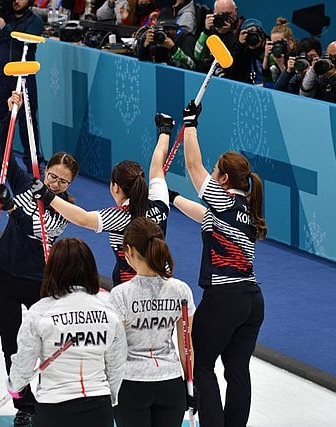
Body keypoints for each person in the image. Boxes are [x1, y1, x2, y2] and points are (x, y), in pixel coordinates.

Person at [169, 100, 266, 427]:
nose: (209, 176)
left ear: (223, 178)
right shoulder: (247, 208)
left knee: (202, 365)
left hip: (224, 298)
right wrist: (171, 198)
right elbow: (205, 217)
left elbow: (194, 167)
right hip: (252, 302)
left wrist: (190, 124)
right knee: (237, 370)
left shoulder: (222, 199)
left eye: (215, 173)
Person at [0, 93, 80, 426]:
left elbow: (31, 227)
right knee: (9, 346)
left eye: (62, 181)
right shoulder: (28, 184)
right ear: (46, 171)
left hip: (39, 283)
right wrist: (8, 115)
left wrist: (10, 205)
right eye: (52, 177)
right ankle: (24, 406)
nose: (55, 184)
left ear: (70, 184)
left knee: (44, 346)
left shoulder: (62, 209)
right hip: (6, 279)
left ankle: (50, 403)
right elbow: (4, 156)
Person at [31, 113, 172, 287]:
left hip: (130, 291)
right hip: (164, 282)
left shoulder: (120, 217)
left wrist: (47, 195)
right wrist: (165, 130)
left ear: (116, 187)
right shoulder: (160, 201)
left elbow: (82, 218)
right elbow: (158, 166)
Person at [7, 237, 127, 427]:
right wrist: (109, 398)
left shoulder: (40, 312)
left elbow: (24, 360)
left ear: (53, 269)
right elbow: (116, 366)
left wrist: (15, 387)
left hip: (55, 408)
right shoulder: (109, 313)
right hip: (99, 407)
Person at [108, 216, 196, 427]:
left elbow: (114, 349)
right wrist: (192, 386)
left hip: (131, 385)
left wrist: (108, 388)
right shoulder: (181, 289)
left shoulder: (121, 294)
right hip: (171, 384)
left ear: (128, 251)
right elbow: (187, 346)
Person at [0, 0, 46, 175]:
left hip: (24, 77)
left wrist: (4, 27)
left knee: (28, 121)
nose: (17, 1)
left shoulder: (35, 21)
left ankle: (33, 163)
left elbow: (23, 41)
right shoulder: (3, 17)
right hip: (1, 76)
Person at [193, 0, 240, 76]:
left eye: (228, 14)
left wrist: (227, 34)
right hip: (205, 76)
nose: (225, 18)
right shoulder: (207, 29)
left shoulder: (241, 30)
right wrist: (206, 31)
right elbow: (197, 56)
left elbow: (238, 64)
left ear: (236, 11)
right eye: (220, 14)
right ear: (214, 12)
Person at [229, 18, 268, 85]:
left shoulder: (268, 51)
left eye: (255, 34)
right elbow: (232, 72)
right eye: (248, 34)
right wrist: (240, 44)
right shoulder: (241, 52)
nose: (252, 37)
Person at [262, 17, 296, 88]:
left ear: (289, 41)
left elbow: (290, 85)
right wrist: (266, 57)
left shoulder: (296, 55)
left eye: (279, 42)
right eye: (274, 43)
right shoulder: (274, 55)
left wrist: (281, 64)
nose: (277, 46)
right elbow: (266, 78)